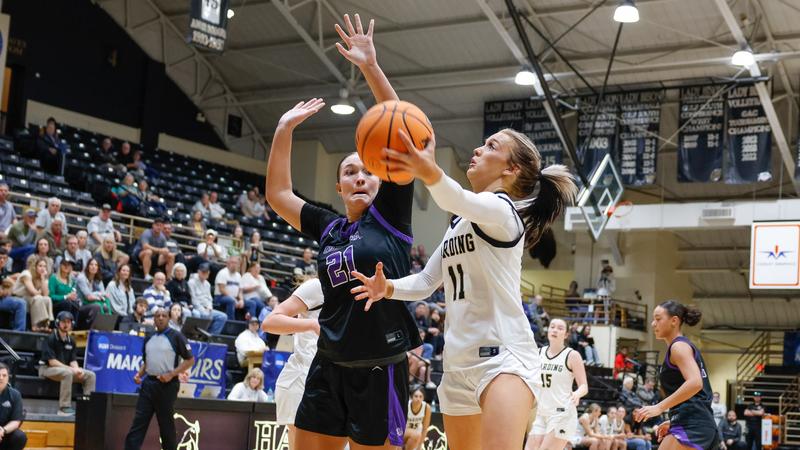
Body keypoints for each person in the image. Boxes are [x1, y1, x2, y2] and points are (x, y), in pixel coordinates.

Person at [351, 29, 580, 448]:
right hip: (456, 366)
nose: (477, 149)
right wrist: (387, 288)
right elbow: (424, 283)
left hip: (505, 360)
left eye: (491, 146)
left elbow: (449, 193)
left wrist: (428, 169)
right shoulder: (459, 224)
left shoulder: (503, 213)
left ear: (509, 171)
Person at [265, 14, 421, 449]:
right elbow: (278, 194)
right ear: (339, 186)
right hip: (328, 363)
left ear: (380, 180)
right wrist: (283, 130)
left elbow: (401, 129)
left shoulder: (391, 215)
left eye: (367, 171)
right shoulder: (329, 226)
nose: (359, 177)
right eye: (349, 172)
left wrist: (370, 66)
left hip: (380, 366)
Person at [633, 301, 718, 450]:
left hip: (694, 425)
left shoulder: (679, 347)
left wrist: (659, 407)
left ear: (674, 321)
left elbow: (695, 383)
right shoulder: (681, 347)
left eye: (658, 319)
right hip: (692, 421)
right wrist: (673, 420)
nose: (653, 324)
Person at [262, 277, 322, 449]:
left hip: (334, 381)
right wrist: (311, 324)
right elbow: (269, 322)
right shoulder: (317, 286)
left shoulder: (357, 291)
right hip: (302, 378)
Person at [124, 308, 195, 450]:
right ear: (154, 319)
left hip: (167, 386)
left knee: (166, 426)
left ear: (168, 318)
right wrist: (139, 374)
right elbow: (148, 361)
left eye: (164, 316)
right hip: (148, 384)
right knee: (138, 423)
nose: (161, 318)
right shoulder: (149, 337)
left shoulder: (176, 336)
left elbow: (190, 360)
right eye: (158, 316)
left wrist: (171, 374)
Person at [525, 318, 588, 450]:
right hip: (541, 413)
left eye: (560, 328)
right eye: (552, 326)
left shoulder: (572, 355)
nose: (554, 330)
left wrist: (577, 394)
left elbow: (584, 386)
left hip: (562, 413)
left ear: (566, 335)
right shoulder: (538, 353)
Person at [39, 311, 96, 415]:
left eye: (68, 322)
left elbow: (73, 360)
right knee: (68, 373)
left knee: (90, 375)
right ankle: (64, 408)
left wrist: (77, 369)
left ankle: (88, 406)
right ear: (58, 323)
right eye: (63, 322)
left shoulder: (72, 340)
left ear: (72, 324)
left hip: (64, 369)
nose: (66, 324)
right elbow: (52, 362)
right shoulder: (50, 338)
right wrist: (71, 369)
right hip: (46, 369)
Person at [11, 257, 53, 332]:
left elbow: (46, 295)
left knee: (47, 299)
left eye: (44, 266)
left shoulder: (43, 277)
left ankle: (46, 325)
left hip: (30, 299)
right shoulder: (26, 274)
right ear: (35, 267)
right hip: (18, 298)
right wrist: (40, 292)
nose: (42, 268)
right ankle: (35, 325)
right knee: (38, 298)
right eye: (40, 266)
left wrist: (43, 278)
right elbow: (32, 292)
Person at [187, 263, 227, 335]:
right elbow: (193, 299)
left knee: (223, 316)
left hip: (207, 308)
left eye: (206, 272)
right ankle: (200, 336)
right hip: (197, 308)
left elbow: (209, 299)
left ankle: (212, 336)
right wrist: (203, 309)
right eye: (203, 272)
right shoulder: (191, 282)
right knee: (205, 315)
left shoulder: (207, 284)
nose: (205, 274)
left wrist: (209, 307)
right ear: (198, 272)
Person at [74, 258, 108, 328]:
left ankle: (100, 330)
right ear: (87, 266)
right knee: (97, 307)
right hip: (81, 305)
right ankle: (90, 330)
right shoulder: (81, 278)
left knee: (106, 307)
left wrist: (99, 296)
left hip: (93, 304)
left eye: (96, 265)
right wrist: (99, 295)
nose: (93, 267)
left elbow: (105, 295)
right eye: (91, 264)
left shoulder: (98, 280)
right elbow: (88, 297)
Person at [0, 362, 26, 450]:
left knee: (19, 436)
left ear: (8, 378)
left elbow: (16, 421)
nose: (1, 378)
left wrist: (3, 430)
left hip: (4, 433)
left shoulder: (15, 394)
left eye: (4, 375)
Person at [214, 255, 243, 321]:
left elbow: (240, 291)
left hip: (233, 298)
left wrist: (241, 300)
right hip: (220, 297)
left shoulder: (239, 275)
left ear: (238, 265)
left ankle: (250, 325)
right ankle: (231, 322)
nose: (234, 265)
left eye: (236, 263)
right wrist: (234, 299)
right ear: (228, 263)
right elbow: (222, 289)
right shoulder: (222, 273)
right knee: (231, 301)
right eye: (232, 262)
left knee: (250, 303)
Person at [404, 386, 432, 450]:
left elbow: (425, 428)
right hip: (404, 433)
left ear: (423, 398)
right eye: (416, 396)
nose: (418, 399)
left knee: (417, 435)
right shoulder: (406, 405)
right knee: (416, 434)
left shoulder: (426, 407)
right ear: (411, 397)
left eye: (420, 396)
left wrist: (420, 445)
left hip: (416, 436)